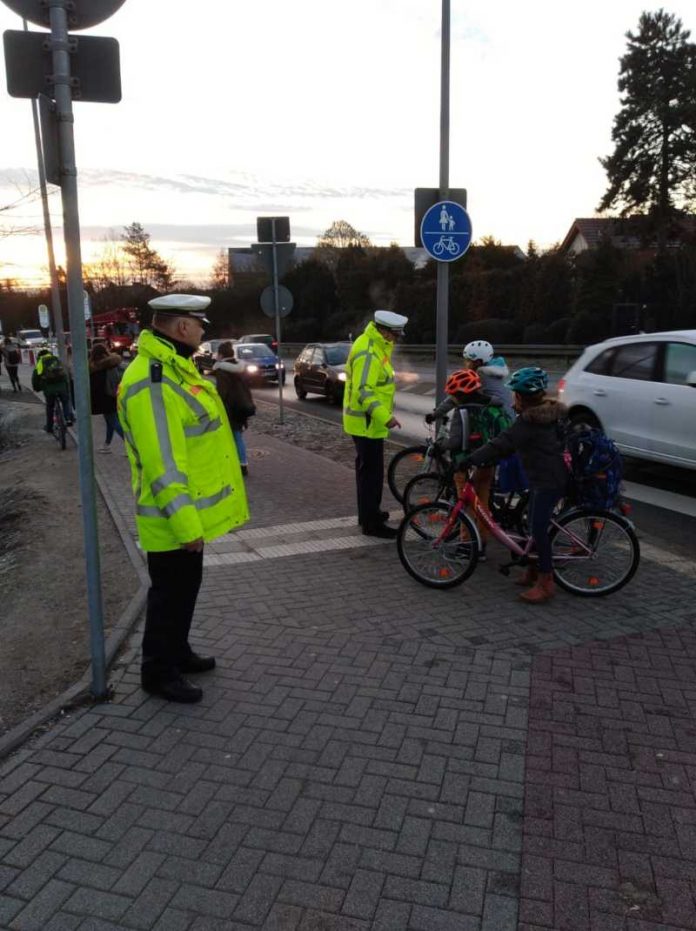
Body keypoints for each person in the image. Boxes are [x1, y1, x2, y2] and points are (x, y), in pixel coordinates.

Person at [118, 294, 249, 703]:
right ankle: (157, 672)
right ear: (180, 328)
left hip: (185, 514)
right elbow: (163, 465)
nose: (203, 329)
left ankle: (177, 651)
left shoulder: (175, 368)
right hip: (171, 519)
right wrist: (187, 526)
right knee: (168, 595)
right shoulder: (153, 380)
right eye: (199, 322)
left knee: (184, 590)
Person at [465, 366, 568, 604]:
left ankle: (546, 582)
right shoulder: (545, 414)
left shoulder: (529, 422)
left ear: (521, 397)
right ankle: (533, 570)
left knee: (539, 529)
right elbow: (509, 445)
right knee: (531, 525)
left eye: (514, 395)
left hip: (548, 481)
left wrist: (471, 459)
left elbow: (503, 442)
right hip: (545, 477)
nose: (512, 399)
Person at [426, 368, 509, 560]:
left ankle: (467, 547)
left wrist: (441, 446)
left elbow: (454, 441)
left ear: (461, 395)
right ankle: (482, 544)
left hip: (465, 464)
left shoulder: (463, 412)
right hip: (487, 462)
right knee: (483, 503)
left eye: (454, 394)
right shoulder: (491, 404)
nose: (452, 397)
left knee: (465, 507)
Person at [343, 309, 408, 538]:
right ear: (383, 330)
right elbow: (364, 391)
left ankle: (368, 513)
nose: (396, 339)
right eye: (395, 334)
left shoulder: (372, 344)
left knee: (366, 472)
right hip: (368, 424)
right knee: (372, 475)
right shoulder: (369, 352)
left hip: (365, 423)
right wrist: (385, 417)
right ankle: (372, 525)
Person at [211, 341, 256, 476]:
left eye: (218, 353)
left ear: (221, 355)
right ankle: (242, 463)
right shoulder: (240, 367)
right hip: (242, 406)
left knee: (229, 437)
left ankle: (235, 464)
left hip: (229, 408)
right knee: (238, 436)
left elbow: (222, 393)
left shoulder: (222, 370)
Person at [462, 340, 514, 417]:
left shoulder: (481, 375)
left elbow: (460, 395)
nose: (465, 363)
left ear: (478, 362)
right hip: (508, 416)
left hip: (499, 421)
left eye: (468, 360)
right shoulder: (496, 371)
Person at [89, 342, 125, 453]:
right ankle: (106, 445)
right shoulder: (113, 363)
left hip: (105, 398)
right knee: (111, 422)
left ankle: (131, 446)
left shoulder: (95, 367)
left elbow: (95, 386)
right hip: (115, 395)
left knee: (113, 422)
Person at [31, 348, 73, 432]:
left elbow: (35, 378)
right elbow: (64, 374)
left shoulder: (40, 362)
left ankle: (49, 427)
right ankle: (68, 419)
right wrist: (67, 387)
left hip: (49, 390)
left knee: (50, 407)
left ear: (39, 356)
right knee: (65, 402)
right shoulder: (56, 360)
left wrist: (37, 388)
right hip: (62, 387)